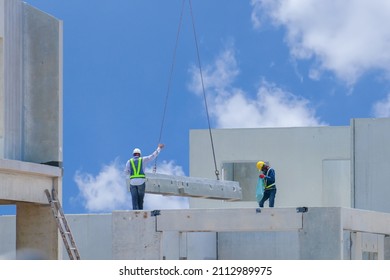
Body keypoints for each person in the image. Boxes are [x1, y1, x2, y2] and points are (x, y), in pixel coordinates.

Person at [124, 144, 164, 210]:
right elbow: (152, 156)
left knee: (134, 200)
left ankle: (135, 213)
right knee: (140, 200)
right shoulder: (142, 159)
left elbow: (126, 172)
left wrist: (131, 172)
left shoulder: (129, 161)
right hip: (141, 182)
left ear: (133, 154)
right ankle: (140, 212)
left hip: (133, 182)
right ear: (139, 154)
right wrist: (159, 148)